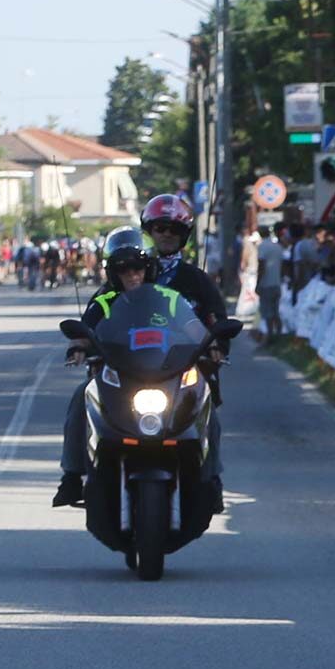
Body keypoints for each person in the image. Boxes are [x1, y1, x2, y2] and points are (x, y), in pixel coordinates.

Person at [52, 227, 225, 506]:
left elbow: (194, 328)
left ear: (150, 267)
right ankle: (71, 477)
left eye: (138, 267)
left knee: (204, 400)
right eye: (123, 268)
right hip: (117, 377)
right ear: (112, 272)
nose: (132, 274)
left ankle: (212, 478)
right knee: (80, 398)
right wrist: (79, 346)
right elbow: (85, 331)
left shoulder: (169, 299)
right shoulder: (104, 300)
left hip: (166, 374)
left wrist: (211, 343)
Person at [139, 194, 232, 498]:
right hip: (133, 364)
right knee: (86, 395)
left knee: (210, 415)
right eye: (160, 227)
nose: (167, 234)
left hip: (186, 366)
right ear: (149, 230)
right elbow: (102, 309)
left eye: (174, 229)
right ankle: (76, 474)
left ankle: (212, 477)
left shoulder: (198, 279)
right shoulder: (130, 271)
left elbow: (218, 317)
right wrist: (86, 339)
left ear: (184, 236)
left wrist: (217, 342)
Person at [256, 224, 285, 342]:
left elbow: (261, 266)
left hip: (266, 284)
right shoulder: (278, 246)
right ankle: (278, 335)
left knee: (267, 312)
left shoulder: (262, 246)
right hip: (277, 283)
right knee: (275, 311)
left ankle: (270, 336)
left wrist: (258, 283)